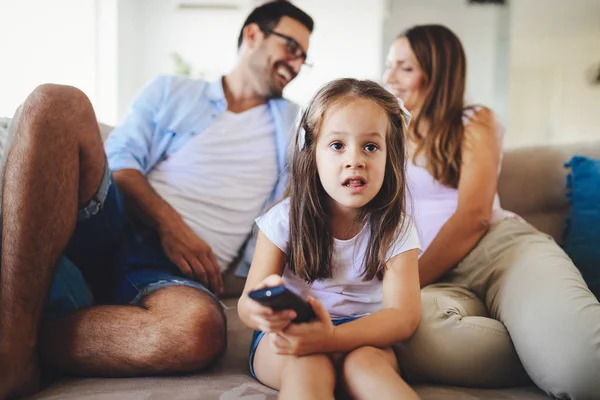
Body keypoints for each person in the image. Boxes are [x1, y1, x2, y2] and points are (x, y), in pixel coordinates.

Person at [0, 1, 314, 399]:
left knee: (197, 329)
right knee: (56, 102)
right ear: (253, 35)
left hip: (170, 275)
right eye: (290, 47)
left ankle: (28, 334)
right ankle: (11, 351)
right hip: (115, 223)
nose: (296, 63)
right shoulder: (173, 91)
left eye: (304, 57)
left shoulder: (295, 124)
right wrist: (171, 225)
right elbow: (122, 163)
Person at [383, 24, 600, 398]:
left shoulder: (473, 120)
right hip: (438, 279)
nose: (389, 78)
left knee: (584, 374)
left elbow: (474, 216)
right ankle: (541, 345)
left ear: (438, 72)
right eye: (389, 65)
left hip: (497, 251)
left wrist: (406, 285)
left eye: (404, 67)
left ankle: (558, 344)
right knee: (413, 339)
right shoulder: (384, 134)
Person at [237, 78, 422, 400]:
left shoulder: (397, 227)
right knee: (308, 366)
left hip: (364, 336)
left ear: (389, 156)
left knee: (367, 367)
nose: (355, 160)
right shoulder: (284, 219)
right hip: (292, 337)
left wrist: (332, 338)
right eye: (337, 145)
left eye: (371, 146)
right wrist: (260, 312)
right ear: (312, 154)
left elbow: (402, 317)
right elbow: (247, 301)